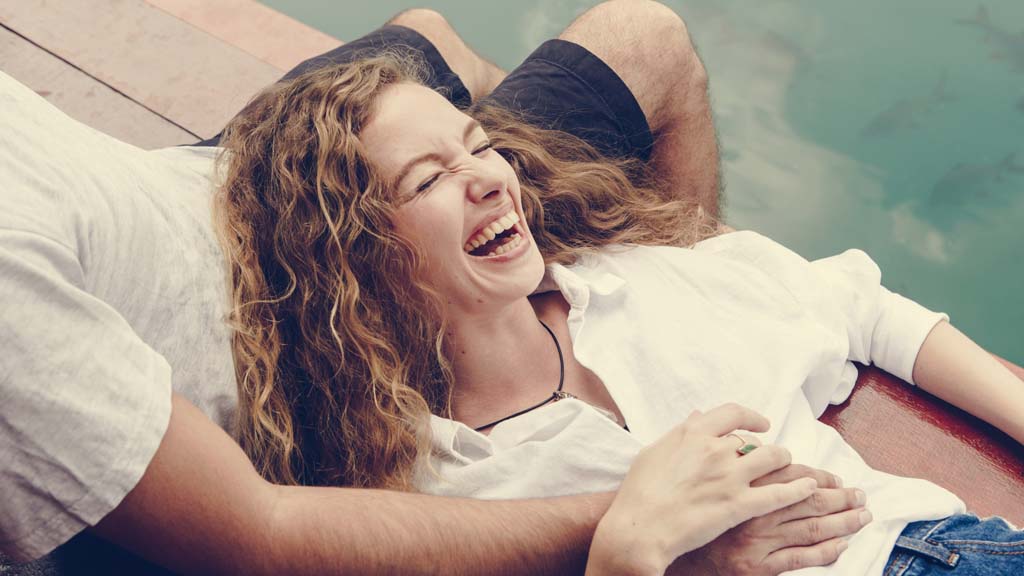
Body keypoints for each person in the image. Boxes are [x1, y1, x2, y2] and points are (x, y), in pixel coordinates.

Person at [0, 2, 864, 574]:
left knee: (438, 39)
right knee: (631, 51)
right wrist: (654, 513)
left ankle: (484, 138)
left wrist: (459, 152)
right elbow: (257, 532)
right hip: (330, 264)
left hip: (238, 173)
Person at [214, 22, 1024, 576]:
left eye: (480, 147)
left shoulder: (634, 282)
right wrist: (629, 550)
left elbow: (864, 309)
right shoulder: (446, 493)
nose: (489, 178)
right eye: (428, 179)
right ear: (355, 255)